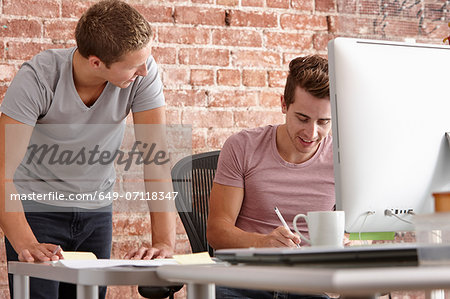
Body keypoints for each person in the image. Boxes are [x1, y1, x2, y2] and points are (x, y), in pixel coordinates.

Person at [0, 1, 176, 298]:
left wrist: (164, 243)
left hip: (96, 211)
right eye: (134, 65)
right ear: (96, 62)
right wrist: (25, 242)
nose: (145, 70)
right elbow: (2, 172)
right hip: (37, 210)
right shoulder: (39, 78)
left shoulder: (142, 75)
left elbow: (155, 161)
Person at [207, 55, 334, 298]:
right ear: (284, 105)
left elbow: (365, 232)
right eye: (303, 118)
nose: (312, 132)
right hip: (242, 282)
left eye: (324, 122)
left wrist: (352, 242)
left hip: (309, 286)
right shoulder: (242, 147)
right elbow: (216, 232)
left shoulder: (341, 158)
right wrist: (264, 243)